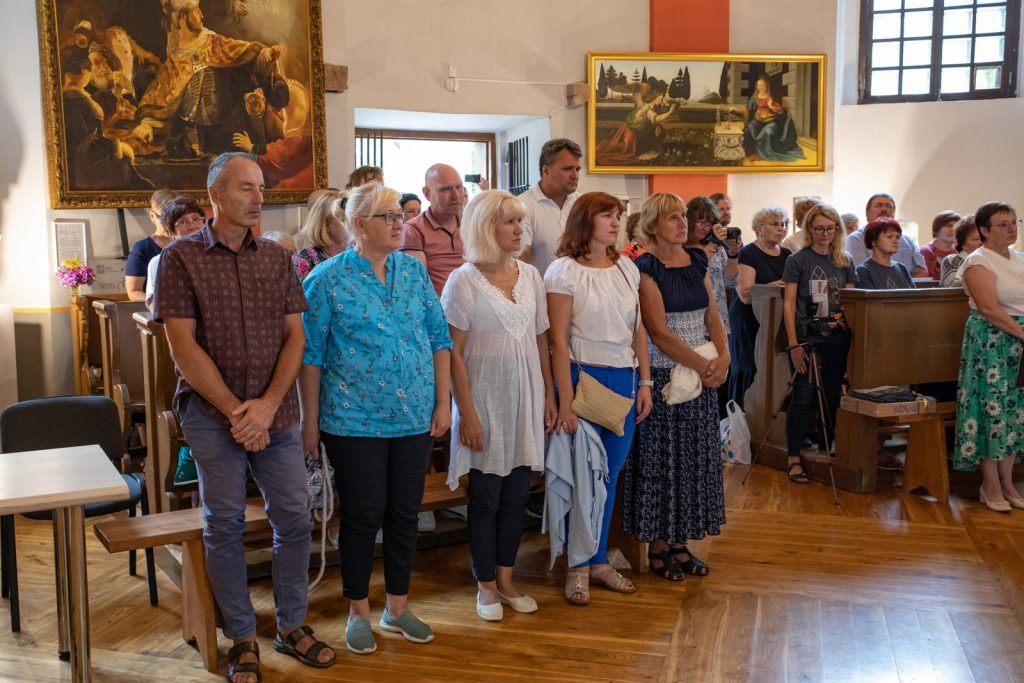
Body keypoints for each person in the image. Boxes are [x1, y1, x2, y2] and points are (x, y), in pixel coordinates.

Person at [155, 152, 335, 683]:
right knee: (225, 523)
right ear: (215, 195)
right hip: (213, 416)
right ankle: (241, 637)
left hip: (276, 414)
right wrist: (239, 412)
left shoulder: (276, 258)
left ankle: (291, 625)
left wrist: (269, 405)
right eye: (246, 188)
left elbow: (296, 337)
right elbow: (183, 347)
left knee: (295, 518)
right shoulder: (180, 258)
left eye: (261, 188)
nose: (259, 199)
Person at [299, 182, 452, 654]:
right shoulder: (326, 278)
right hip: (352, 419)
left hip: (414, 415)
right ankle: (358, 610)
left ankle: (398, 607)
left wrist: (443, 402)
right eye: (388, 216)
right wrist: (308, 422)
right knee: (364, 515)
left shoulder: (413, 271)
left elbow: (439, 338)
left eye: (400, 216)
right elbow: (311, 356)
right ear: (358, 224)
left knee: (405, 513)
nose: (399, 223)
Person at [440, 190, 555, 622]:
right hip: (484, 402)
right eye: (510, 222)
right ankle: (485, 585)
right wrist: (466, 413)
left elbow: (541, 340)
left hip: (525, 399)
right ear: (487, 228)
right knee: (486, 498)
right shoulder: (463, 281)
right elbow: (452, 352)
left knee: (516, 496)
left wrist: (548, 395)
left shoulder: (531, 276)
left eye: (520, 221)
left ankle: (507, 580)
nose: (520, 230)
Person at [544, 191, 653, 605]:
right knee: (582, 476)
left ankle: (597, 559)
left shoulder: (627, 267)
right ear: (585, 221)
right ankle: (576, 567)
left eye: (617, 215)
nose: (615, 222)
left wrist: (645, 382)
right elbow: (557, 340)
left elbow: (638, 330)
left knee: (608, 477)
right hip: (581, 377)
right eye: (606, 215)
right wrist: (565, 400)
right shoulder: (564, 270)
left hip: (623, 377)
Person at [622, 192, 727, 582]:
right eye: (672, 217)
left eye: (683, 216)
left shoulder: (697, 259)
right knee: (664, 462)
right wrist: (703, 364)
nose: (683, 223)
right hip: (666, 375)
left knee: (694, 461)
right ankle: (658, 547)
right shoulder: (645, 268)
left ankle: (681, 542)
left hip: (702, 373)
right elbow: (658, 332)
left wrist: (724, 357)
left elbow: (712, 314)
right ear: (653, 225)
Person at [952, 201, 1024, 512]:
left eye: (1014, 222)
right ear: (984, 230)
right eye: (1003, 224)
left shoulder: (1020, 258)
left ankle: (1008, 482)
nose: (1011, 229)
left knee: (1014, 411)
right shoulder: (978, 261)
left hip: (1018, 342)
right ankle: (990, 483)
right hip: (992, 341)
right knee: (991, 408)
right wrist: (1022, 333)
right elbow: (989, 308)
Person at [782, 203, 856, 484]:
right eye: (819, 228)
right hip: (806, 336)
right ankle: (793, 457)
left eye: (830, 228)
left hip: (837, 338)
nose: (825, 234)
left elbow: (851, 301)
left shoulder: (845, 260)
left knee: (833, 395)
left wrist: (843, 319)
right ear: (809, 229)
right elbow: (789, 305)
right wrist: (793, 344)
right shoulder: (797, 260)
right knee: (802, 395)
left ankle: (827, 451)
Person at [728, 205, 792, 407]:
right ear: (758, 228)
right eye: (775, 224)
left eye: (784, 224)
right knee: (751, 368)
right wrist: (783, 283)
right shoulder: (747, 253)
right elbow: (746, 295)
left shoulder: (787, 254)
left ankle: (769, 417)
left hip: (776, 319)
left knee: (774, 370)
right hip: (748, 320)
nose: (781, 228)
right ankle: (743, 418)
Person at [685, 196, 738, 416]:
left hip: (720, 320)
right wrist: (713, 245)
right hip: (696, 322)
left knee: (722, 378)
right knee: (702, 376)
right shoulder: (683, 249)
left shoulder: (718, 249)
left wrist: (732, 252)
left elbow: (731, 280)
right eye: (699, 222)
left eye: (709, 223)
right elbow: (694, 274)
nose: (704, 227)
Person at [519, 138, 582, 275]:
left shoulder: (583, 203)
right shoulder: (523, 206)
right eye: (567, 169)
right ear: (546, 170)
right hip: (540, 287)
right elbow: (520, 261)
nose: (575, 175)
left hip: (580, 285)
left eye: (577, 169)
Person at [401, 163, 466, 295]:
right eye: (445, 189)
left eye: (459, 187)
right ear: (427, 193)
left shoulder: (472, 224)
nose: (456, 195)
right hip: (438, 305)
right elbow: (416, 284)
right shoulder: (413, 229)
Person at [145, 194, 205, 310]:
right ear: (171, 232)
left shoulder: (216, 256)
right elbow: (155, 306)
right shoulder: (159, 262)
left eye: (196, 219)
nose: (192, 226)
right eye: (182, 222)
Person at [846, 193, 928, 277]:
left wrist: (902, 282)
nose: (884, 209)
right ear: (867, 213)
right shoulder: (855, 239)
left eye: (889, 206)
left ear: (894, 214)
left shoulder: (909, 241)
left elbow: (922, 270)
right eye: (879, 205)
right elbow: (859, 273)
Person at [595, 84, 677, 164]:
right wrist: (669, 112)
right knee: (622, 147)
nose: (660, 101)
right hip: (630, 127)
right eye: (659, 98)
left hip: (631, 127)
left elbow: (655, 118)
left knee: (623, 146)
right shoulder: (646, 106)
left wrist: (666, 114)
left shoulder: (644, 104)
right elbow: (657, 118)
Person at [125, 188, 177, 301]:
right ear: (152, 216)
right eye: (164, 217)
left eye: (174, 216)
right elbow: (134, 292)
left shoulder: (189, 244)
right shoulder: (142, 249)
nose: (169, 222)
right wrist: (161, 304)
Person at [743, 74, 805, 162]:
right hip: (758, 121)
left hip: (770, 121)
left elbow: (780, 110)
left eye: (761, 85)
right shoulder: (755, 97)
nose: (759, 87)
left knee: (769, 131)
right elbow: (748, 108)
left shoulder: (770, 97)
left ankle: (767, 153)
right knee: (749, 128)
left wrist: (770, 106)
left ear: (766, 87)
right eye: (758, 85)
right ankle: (752, 152)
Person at [292, 191, 347, 280]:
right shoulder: (303, 260)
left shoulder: (358, 254)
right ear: (325, 224)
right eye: (343, 219)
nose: (352, 224)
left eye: (352, 217)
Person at [855, 218, 916, 290]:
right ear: (873, 241)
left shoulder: (902, 268)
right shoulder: (864, 271)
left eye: (897, 237)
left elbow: (914, 295)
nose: (895, 241)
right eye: (889, 237)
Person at [941, 215, 982, 287]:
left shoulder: (990, 259)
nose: (982, 243)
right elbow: (954, 286)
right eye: (976, 239)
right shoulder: (952, 260)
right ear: (962, 243)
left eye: (984, 238)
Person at [921, 210, 961, 281]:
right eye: (949, 226)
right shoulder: (926, 251)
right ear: (937, 230)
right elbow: (930, 280)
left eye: (956, 226)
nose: (953, 229)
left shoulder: (960, 250)